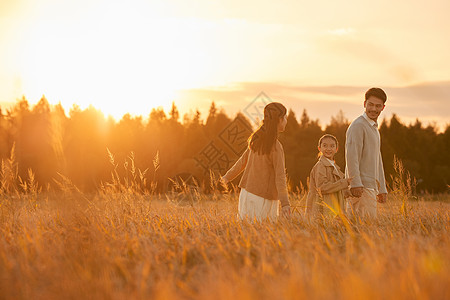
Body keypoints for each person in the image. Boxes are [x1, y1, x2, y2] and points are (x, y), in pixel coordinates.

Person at [221, 102, 291, 221]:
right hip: (264, 197)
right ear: (279, 120)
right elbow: (280, 176)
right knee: (263, 234)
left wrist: (226, 177)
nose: (286, 121)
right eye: (285, 117)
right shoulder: (276, 146)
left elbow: (242, 162)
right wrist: (285, 203)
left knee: (244, 232)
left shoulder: (256, 140)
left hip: (246, 194)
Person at [345, 87, 388, 218]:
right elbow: (352, 157)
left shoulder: (374, 128)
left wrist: (381, 188)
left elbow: (377, 159)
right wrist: (355, 183)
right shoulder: (358, 126)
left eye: (378, 106)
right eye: (370, 104)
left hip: (370, 187)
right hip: (360, 188)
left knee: (368, 230)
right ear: (364, 104)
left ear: (383, 107)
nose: (373, 109)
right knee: (361, 230)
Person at [305, 134, 351, 218]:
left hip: (333, 210)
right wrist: (343, 183)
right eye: (325, 146)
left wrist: (347, 191)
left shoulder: (335, 167)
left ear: (336, 149)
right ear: (319, 148)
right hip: (321, 210)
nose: (328, 149)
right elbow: (322, 188)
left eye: (332, 146)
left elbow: (337, 189)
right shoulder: (320, 166)